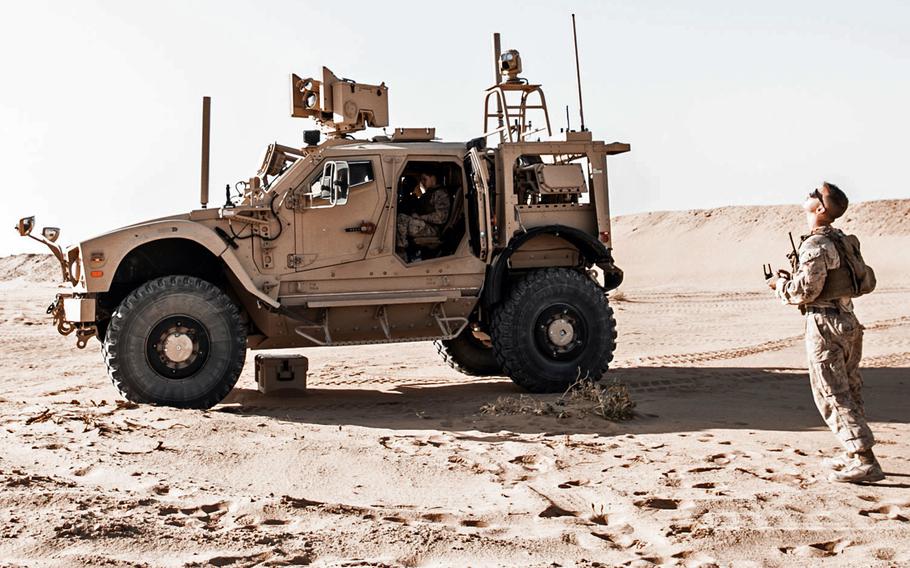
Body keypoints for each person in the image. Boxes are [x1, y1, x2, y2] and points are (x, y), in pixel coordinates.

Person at [768, 182, 884, 483]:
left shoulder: (816, 245)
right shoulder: (841, 240)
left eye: (816, 195)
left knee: (831, 393)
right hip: (846, 320)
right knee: (849, 388)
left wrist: (779, 286)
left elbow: (806, 290)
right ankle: (852, 452)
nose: (809, 194)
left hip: (825, 323)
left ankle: (864, 459)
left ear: (820, 209)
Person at [396, 171, 451, 252]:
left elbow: (441, 218)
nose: (422, 182)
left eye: (424, 179)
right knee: (398, 217)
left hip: (433, 229)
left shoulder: (441, 194)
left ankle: (402, 250)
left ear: (433, 178)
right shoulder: (429, 192)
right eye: (421, 180)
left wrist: (420, 217)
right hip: (426, 224)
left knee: (401, 219)